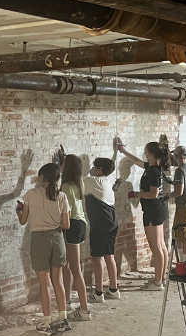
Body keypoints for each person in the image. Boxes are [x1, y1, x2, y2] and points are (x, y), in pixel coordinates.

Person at [17, 163, 71, 334]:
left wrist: (19, 211)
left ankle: (47, 321)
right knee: (58, 281)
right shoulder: (62, 196)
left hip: (39, 239)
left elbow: (23, 221)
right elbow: (66, 224)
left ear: (42, 177)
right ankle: (63, 319)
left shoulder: (30, 195)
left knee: (43, 283)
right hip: (57, 238)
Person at [117, 138, 171, 291]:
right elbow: (137, 162)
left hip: (153, 209)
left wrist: (136, 194)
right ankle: (161, 278)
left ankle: (157, 282)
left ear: (151, 155)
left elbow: (153, 194)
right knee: (161, 246)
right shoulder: (153, 168)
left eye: (146, 152)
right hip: (157, 209)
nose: (144, 154)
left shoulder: (153, 172)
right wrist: (124, 151)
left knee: (156, 248)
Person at [84, 153, 121, 304]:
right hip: (112, 222)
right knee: (109, 256)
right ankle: (113, 289)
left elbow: (75, 180)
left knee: (97, 258)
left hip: (100, 224)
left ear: (99, 169)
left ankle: (98, 293)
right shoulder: (107, 181)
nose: (92, 169)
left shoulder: (94, 181)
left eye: (94, 167)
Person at [60, 155, 92, 322]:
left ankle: (85, 309)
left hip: (71, 225)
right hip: (79, 224)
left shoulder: (66, 187)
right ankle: (66, 300)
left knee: (75, 268)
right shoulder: (78, 183)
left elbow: (67, 212)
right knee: (67, 266)